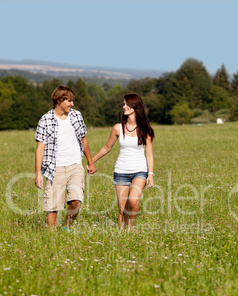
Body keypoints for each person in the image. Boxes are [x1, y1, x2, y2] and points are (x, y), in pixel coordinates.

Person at [35, 85, 97, 229]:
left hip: (75, 165)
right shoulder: (45, 120)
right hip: (54, 168)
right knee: (52, 206)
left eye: (72, 100)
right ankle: (52, 238)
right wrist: (38, 172)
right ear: (58, 101)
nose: (72, 104)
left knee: (76, 200)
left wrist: (91, 162)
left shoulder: (76, 115)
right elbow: (40, 148)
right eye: (68, 100)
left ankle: (66, 226)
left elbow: (84, 139)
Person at [92, 93, 154, 229]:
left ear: (135, 107)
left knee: (133, 200)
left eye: (126, 104)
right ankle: (122, 233)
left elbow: (149, 154)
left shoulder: (145, 130)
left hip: (140, 170)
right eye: (123, 104)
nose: (123, 106)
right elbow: (107, 147)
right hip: (121, 170)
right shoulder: (118, 128)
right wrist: (91, 162)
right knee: (122, 208)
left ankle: (130, 229)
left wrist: (150, 174)